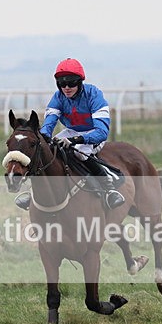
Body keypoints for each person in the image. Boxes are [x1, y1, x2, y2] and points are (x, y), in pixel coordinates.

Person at [16, 58, 124, 210]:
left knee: (80, 154)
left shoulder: (94, 95)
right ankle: (33, 191)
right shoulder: (58, 97)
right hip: (71, 132)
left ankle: (109, 188)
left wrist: (76, 139)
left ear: (80, 82)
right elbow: (49, 124)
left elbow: (102, 132)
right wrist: (44, 136)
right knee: (46, 148)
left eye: (71, 82)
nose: (66, 87)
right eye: (61, 83)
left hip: (93, 133)